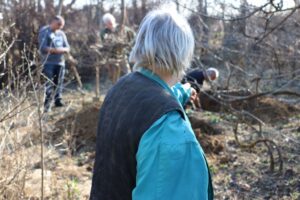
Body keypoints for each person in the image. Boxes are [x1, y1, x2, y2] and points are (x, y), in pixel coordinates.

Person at [90, 8, 213, 200]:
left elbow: (150, 101)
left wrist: (184, 91)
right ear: (183, 53)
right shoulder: (170, 130)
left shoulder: (121, 88)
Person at [38, 16, 70, 112]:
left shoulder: (61, 33)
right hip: (48, 62)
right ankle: (47, 105)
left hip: (60, 62)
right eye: (59, 24)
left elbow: (67, 47)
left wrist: (62, 50)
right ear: (52, 22)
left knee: (59, 82)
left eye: (62, 25)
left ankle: (58, 101)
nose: (60, 27)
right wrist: (55, 50)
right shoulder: (45, 31)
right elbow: (43, 47)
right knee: (49, 83)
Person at [99, 13, 135, 82]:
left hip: (122, 55)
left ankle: (130, 84)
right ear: (106, 24)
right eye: (108, 23)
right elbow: (104, 44)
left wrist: (128, 46)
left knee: (127, 72)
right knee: (114, 76)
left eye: (111, 22)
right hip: (111, 57)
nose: (110, 24)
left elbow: (133, 37)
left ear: (114, 20)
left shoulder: (122, 28)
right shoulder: (104, 32)